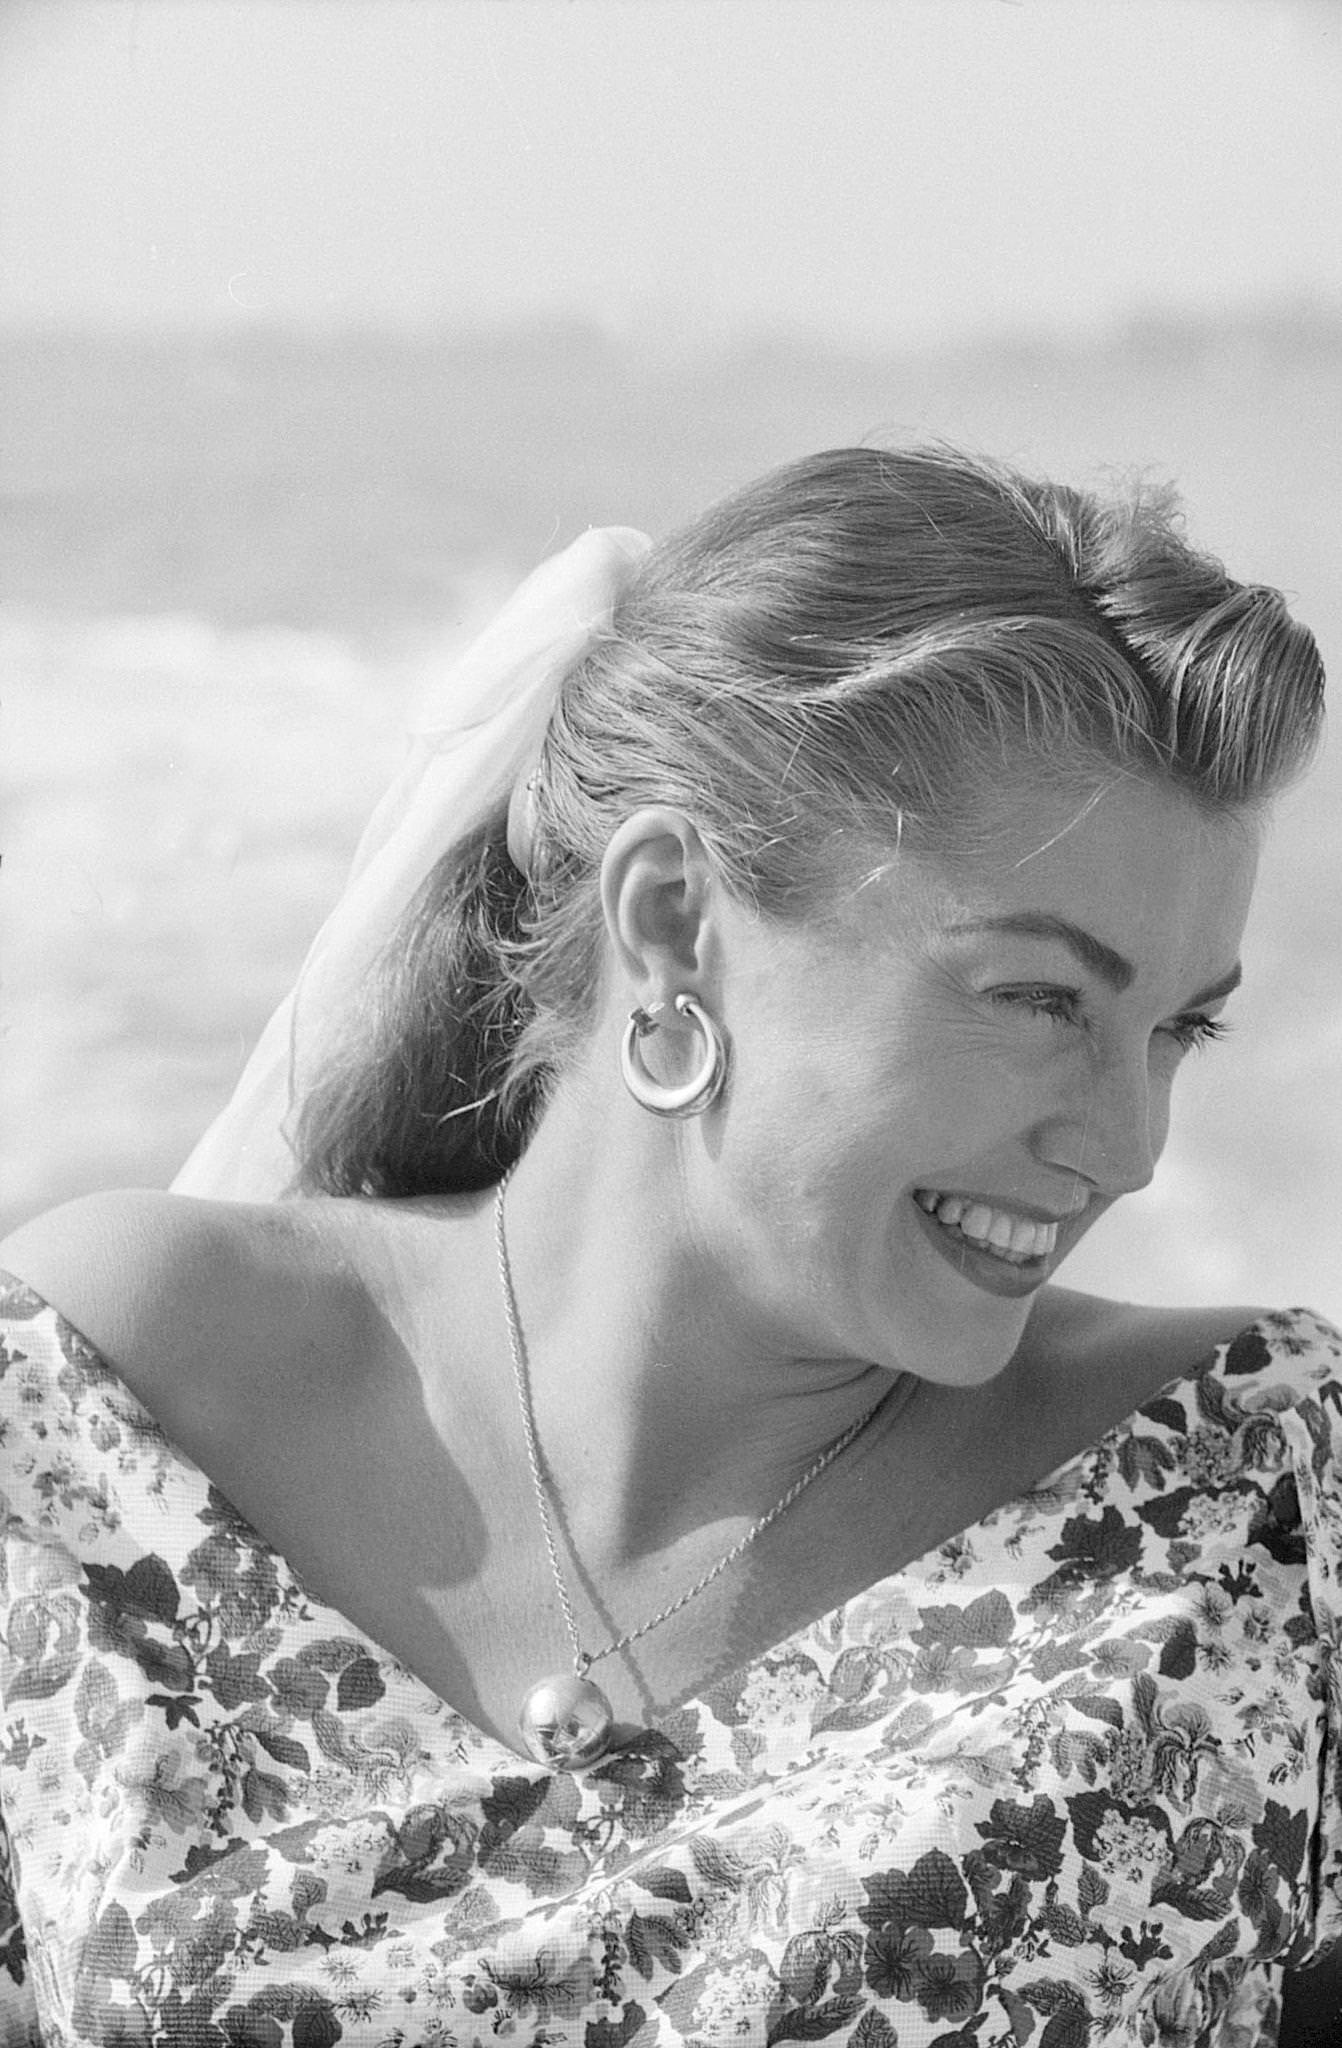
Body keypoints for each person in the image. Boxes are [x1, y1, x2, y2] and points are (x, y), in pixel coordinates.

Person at [0, 444, 1337, 2047]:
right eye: (1038, 999)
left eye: (1177, 1026)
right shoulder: (110, 1407)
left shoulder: (1251, 1504)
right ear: (669, 922)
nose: (1125, 1145)